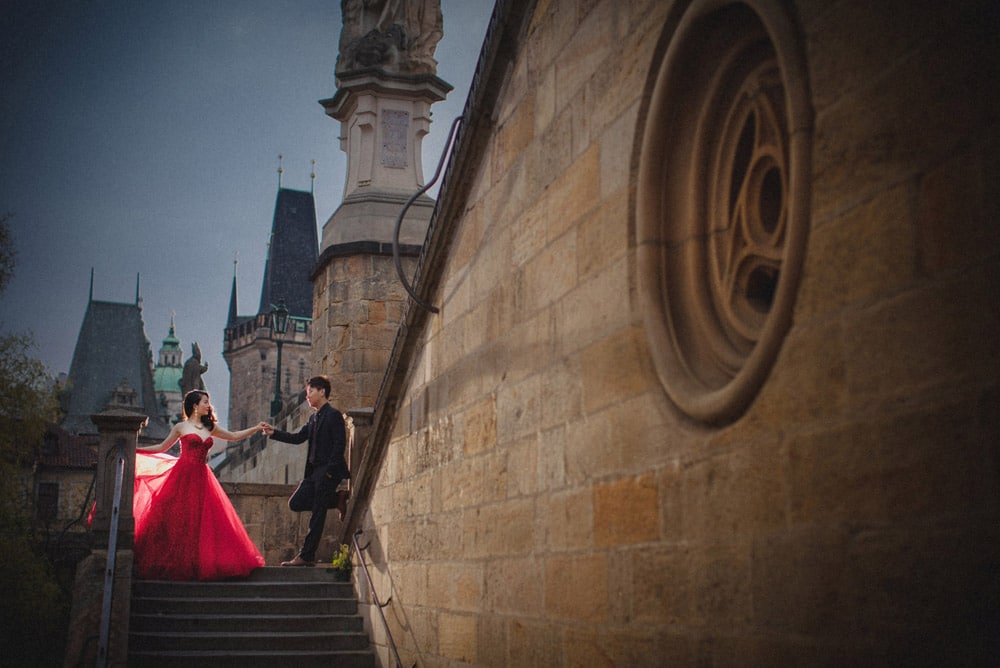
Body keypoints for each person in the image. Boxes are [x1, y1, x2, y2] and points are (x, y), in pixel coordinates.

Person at [133, 389, 267, 581]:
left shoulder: (209, 427)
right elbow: (161, 447)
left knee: (203, 521)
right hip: (183, 475)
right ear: (195, 406)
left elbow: (234, 436)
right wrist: (136, 449)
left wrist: (255, 428)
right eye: (205, 402)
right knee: (179, 518)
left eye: (208, 402)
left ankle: (198, 562)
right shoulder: (181, 427)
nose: (208, 405)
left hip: (202, 477)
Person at [262, 375, 348, 567]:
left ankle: (306, 556)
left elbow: (339, 444)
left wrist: (330, 472)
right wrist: (274, 433)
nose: (307, 396)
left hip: (327, 472)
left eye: (310, 391)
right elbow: (298, 438)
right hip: (313, 473)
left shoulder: (333, 415)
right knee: (296, 502)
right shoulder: (313, 418)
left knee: (318, 513)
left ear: (322, 391)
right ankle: (337, 499)